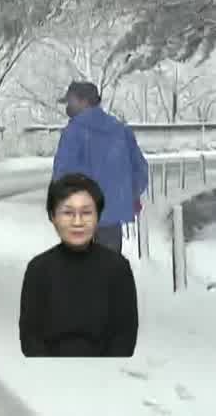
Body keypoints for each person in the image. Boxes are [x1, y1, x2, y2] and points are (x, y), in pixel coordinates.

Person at [20, 173, 138, 357]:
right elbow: (30, 336)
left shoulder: (118, 268)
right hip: (48, 371)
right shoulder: (38, 270)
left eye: (86, 213)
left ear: (98, 216)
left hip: (106, 371)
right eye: (68, 213)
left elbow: (125, 335)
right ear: (53, 216)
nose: (77, 222)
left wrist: (103, 369)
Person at [52, 81, 149, 253]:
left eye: (71, 101)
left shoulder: (73, 133)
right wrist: (128, 196)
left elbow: (62, 175)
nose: (68, 106)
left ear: (84, 101)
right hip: (111, 218)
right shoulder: (121, 131)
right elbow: (140, 171)